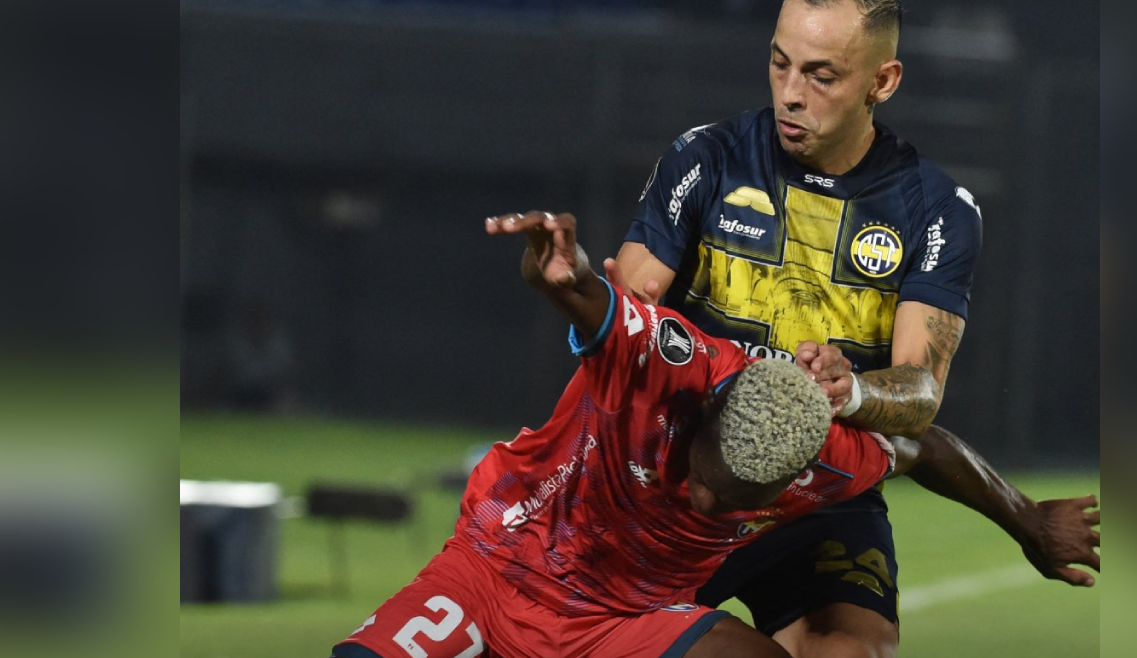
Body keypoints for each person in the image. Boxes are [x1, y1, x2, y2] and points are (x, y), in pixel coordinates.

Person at [616, 0, 1100, 657]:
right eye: (780, 64)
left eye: (821, 75)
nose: (789, 94)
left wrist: (854, 390)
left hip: (819, 497)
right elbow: (629, 313)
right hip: (686, 484)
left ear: (883, 81)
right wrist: (586, 300)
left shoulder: (936, 212)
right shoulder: (705, 159)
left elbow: (919, 397)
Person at [330, 210, 900, 658]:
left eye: (734, 503)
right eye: (709, 479)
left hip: (620, 620)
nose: (706, 502)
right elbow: (579, 291)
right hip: (501, 566)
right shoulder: (662, 360)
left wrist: (995, 510)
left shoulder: (819, 451)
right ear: (705, 413)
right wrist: (562, 271)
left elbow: (928, 449)